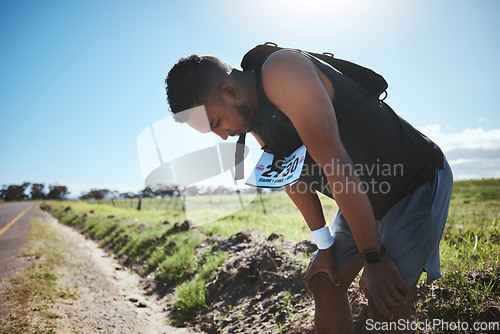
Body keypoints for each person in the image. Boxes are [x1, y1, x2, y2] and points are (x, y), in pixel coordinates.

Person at [165, 43, 454, 333]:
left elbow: (336, 166)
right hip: (364, 198)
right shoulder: (251, 116)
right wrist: (325, 247)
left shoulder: (283, 71)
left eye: (216, 123)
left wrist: (374, 258)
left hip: (412, 181)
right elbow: (294, 180)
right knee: (325, 283)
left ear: (230, 92)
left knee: (386, 303)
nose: (223, 136)